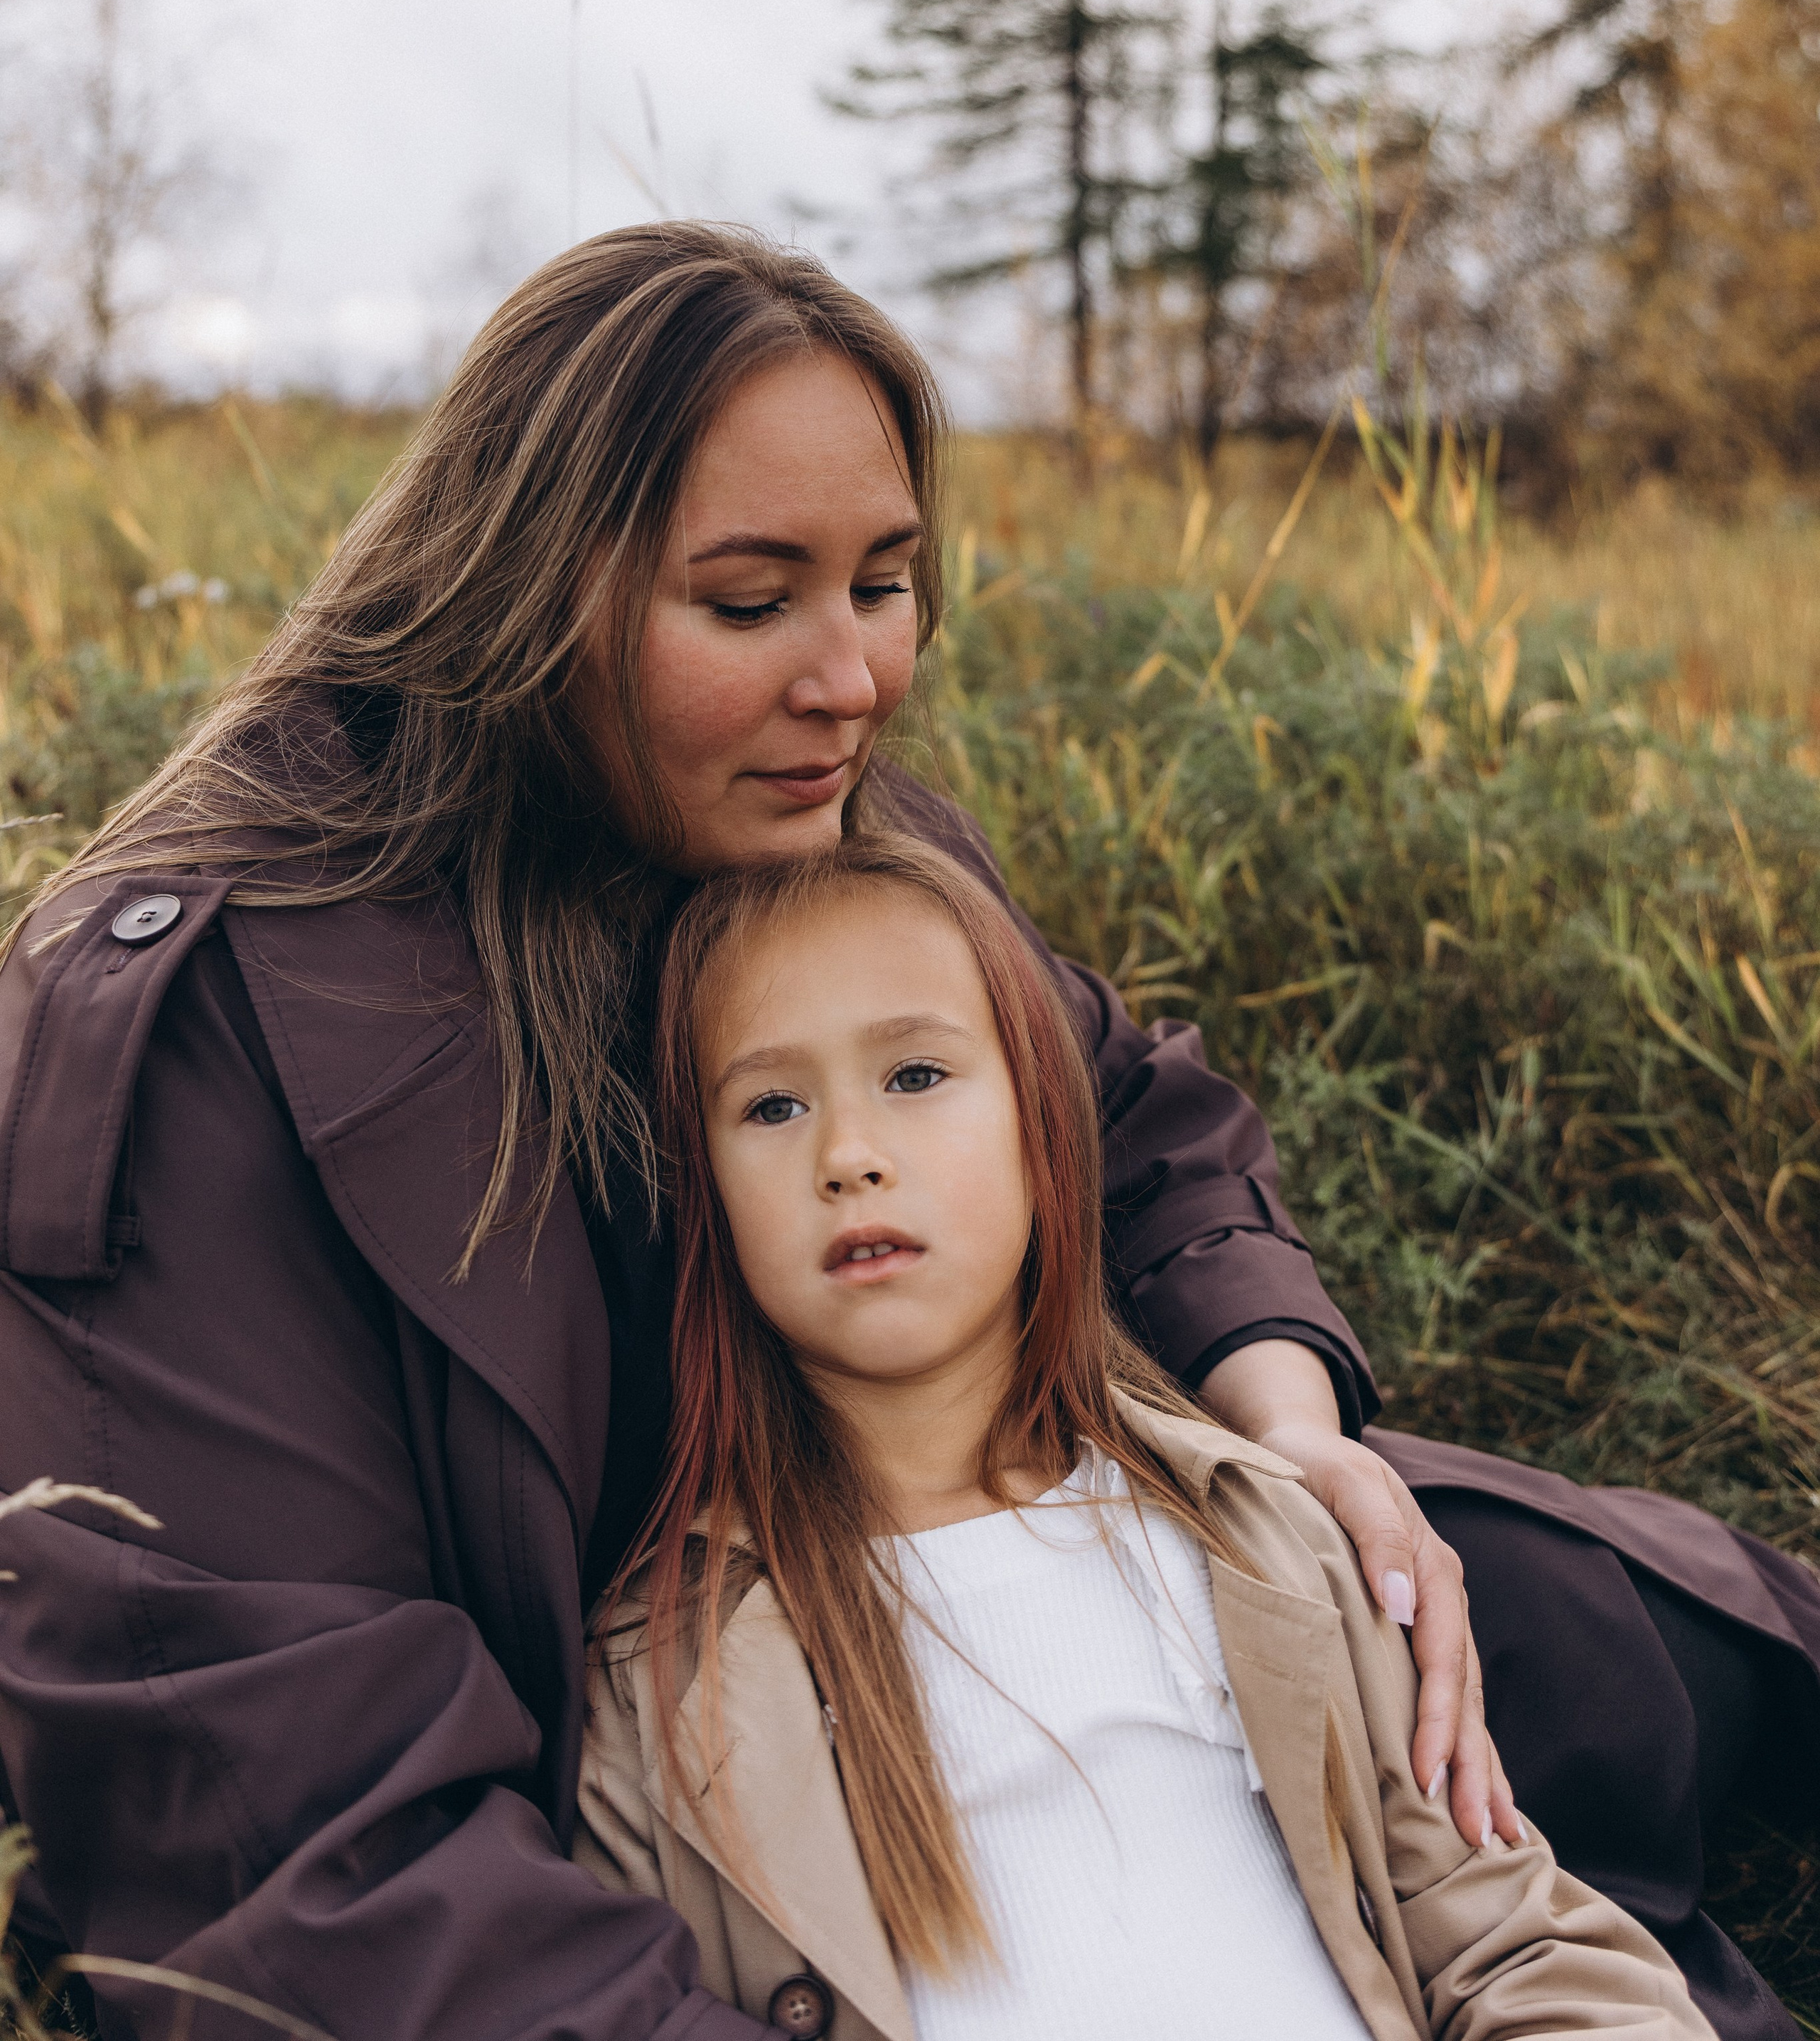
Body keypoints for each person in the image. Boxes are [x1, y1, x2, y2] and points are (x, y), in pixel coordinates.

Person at [0, 223, 1808, 2041]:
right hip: (681, 1801)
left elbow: (1123, 1111)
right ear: (530, 586)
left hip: (1011, 1568)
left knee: (1556, 1608)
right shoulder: (197, 1030)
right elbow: (283, 1843)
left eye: (884, 580)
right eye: (747, 597)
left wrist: (1290, 1437)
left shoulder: (806, 819)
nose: (852, 678)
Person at [576, 828, 1714, 2041]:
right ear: (702, 1192)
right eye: (772, 1104)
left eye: (915, 1076)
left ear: (1047, 1129)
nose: (848, 1156)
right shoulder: (666, 1673)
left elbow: (1507, 1932)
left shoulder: (1254, 1534)